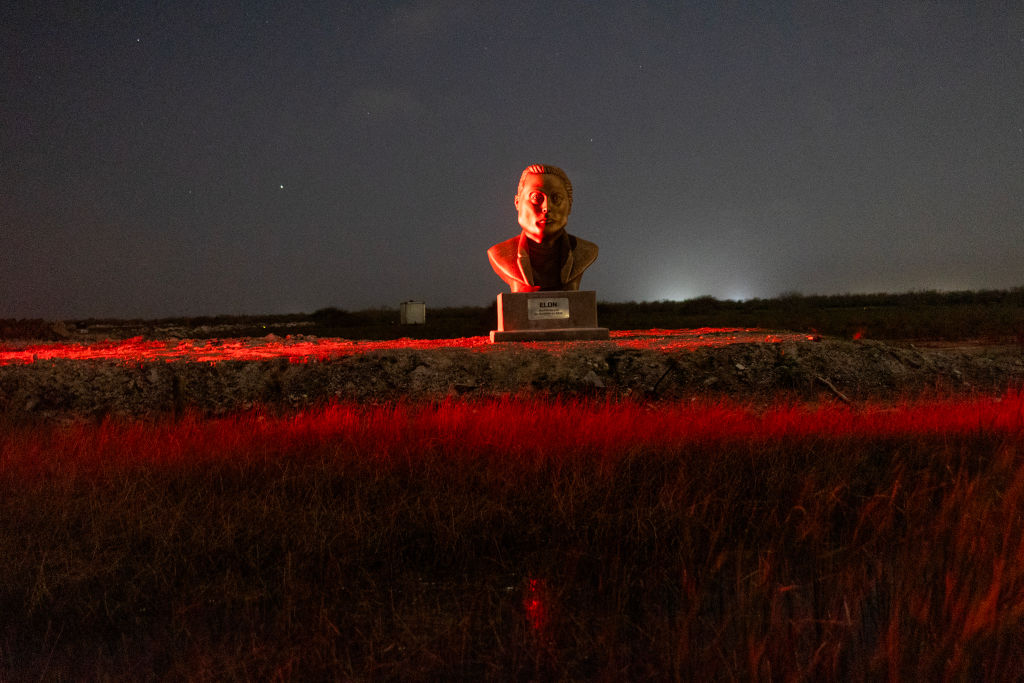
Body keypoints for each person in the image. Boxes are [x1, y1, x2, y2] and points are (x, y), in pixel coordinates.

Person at [487, 164, 598, 292]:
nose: (546, 207)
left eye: (556, 198)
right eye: (536, 198)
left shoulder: (586, 251)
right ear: (517, 203)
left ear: (570, 205)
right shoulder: (499, 254)